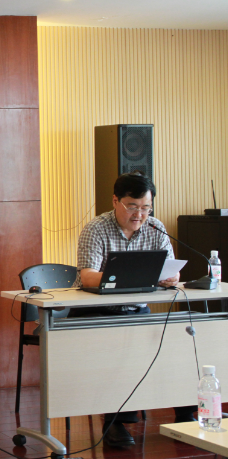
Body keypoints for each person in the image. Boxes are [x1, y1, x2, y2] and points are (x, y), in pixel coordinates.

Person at [70, 171, 195, 448]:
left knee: (176, 345)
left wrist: (169, 277)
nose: (140, 215)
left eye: (146, 208)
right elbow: (87, 277)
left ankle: (187, 415)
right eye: (132, 206)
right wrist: (131, 278)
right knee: (123, 354)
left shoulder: (155, 227)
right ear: (116, 201)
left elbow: (171, 271)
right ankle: (115, 423)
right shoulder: (96, 228)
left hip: (137, 312)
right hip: (96, 312)